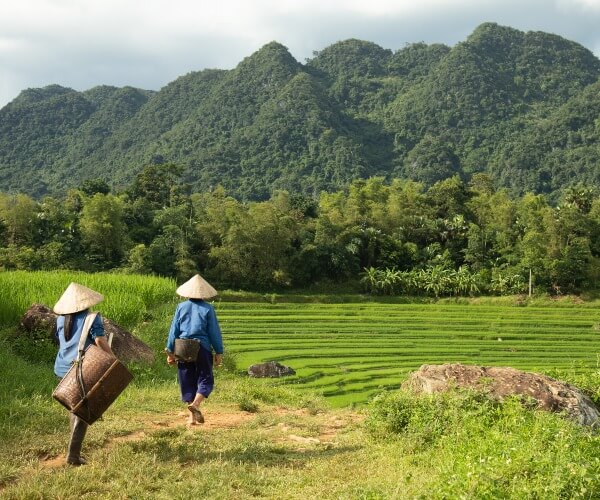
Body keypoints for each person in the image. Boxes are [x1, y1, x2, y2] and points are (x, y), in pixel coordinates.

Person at [53, 282, 115, 466]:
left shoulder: (59, 320)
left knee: (75, 408)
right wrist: (112, 358)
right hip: (81, 369)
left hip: (62, 368)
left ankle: (73, 451)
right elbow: (99, 341)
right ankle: (72, 456)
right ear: (86, 302)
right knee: (82, 412)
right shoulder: (91, 318)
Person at [166, 274, 224, 425]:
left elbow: (174, 329)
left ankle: (191, 418)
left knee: (187, 379)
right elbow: (213, 332)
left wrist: (170, 351)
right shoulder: (208, 309)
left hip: (183, 346)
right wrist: (218, 351)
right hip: (201, 346)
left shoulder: (181, 307)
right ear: (204, 293)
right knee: (205, 377)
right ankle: (196, 404)